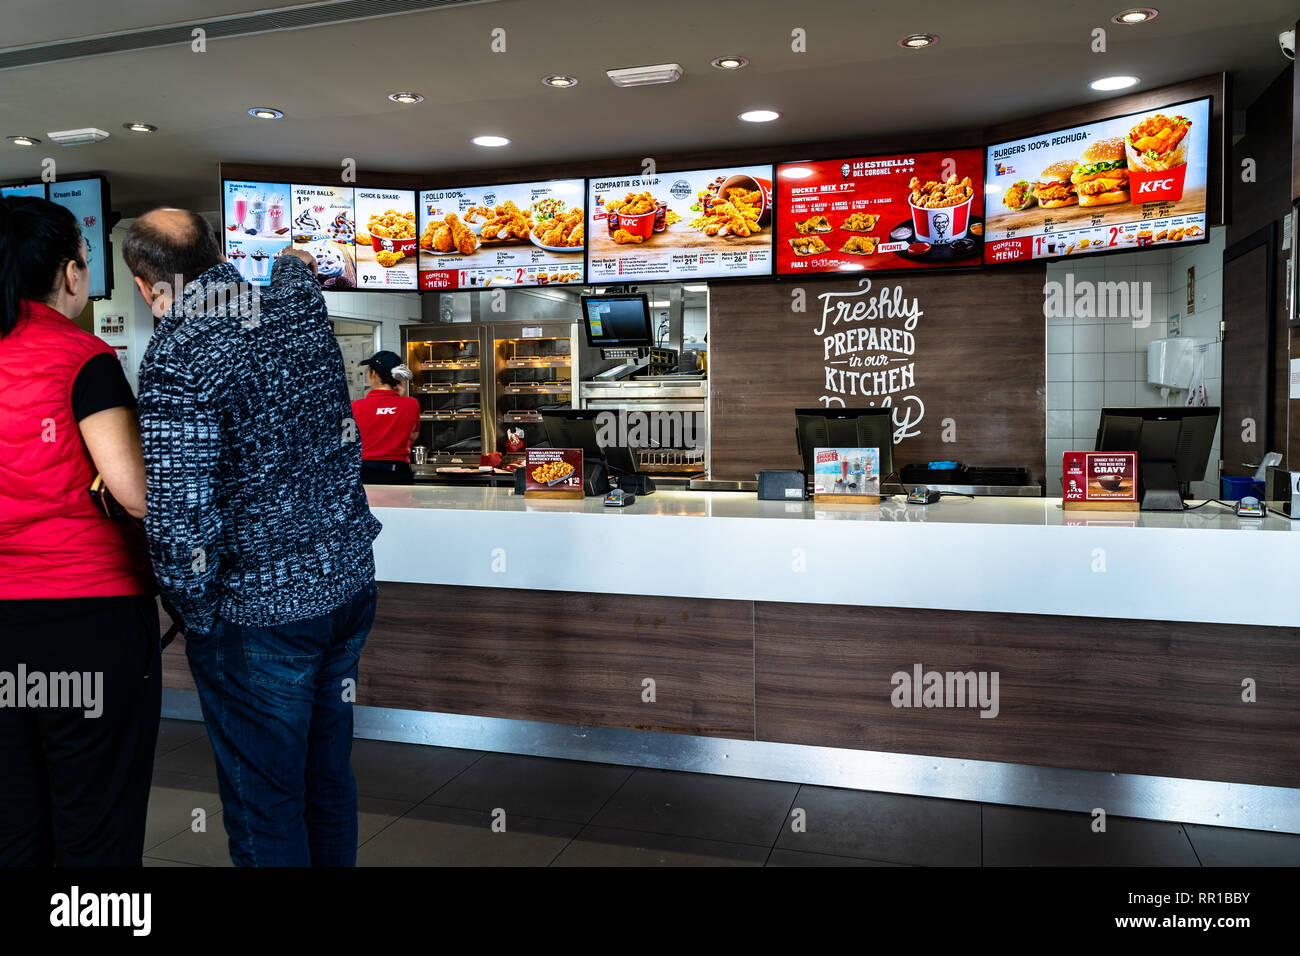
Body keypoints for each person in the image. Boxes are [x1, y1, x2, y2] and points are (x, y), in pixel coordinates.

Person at [126, 208, 381, 866]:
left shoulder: (176, 353)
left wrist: (198, 612)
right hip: (347, 583)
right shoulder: (295, 306)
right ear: (217, 253)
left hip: (260, 613)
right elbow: (298, 270)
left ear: (145, 285)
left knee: (265, 800)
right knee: (326, 777)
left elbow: (180, 516)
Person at [0, 196, 159, 866]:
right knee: (95, 818)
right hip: (85, 620)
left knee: (13, 818)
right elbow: (136, 495)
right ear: (70, 273)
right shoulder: (82, 357)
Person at [352, 350, 420, 485]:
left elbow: (347, 443)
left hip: (365, 475)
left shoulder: (354, 407)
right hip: (398, 475)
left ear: (373, 374)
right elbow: (413, 436)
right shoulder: (411, 404)